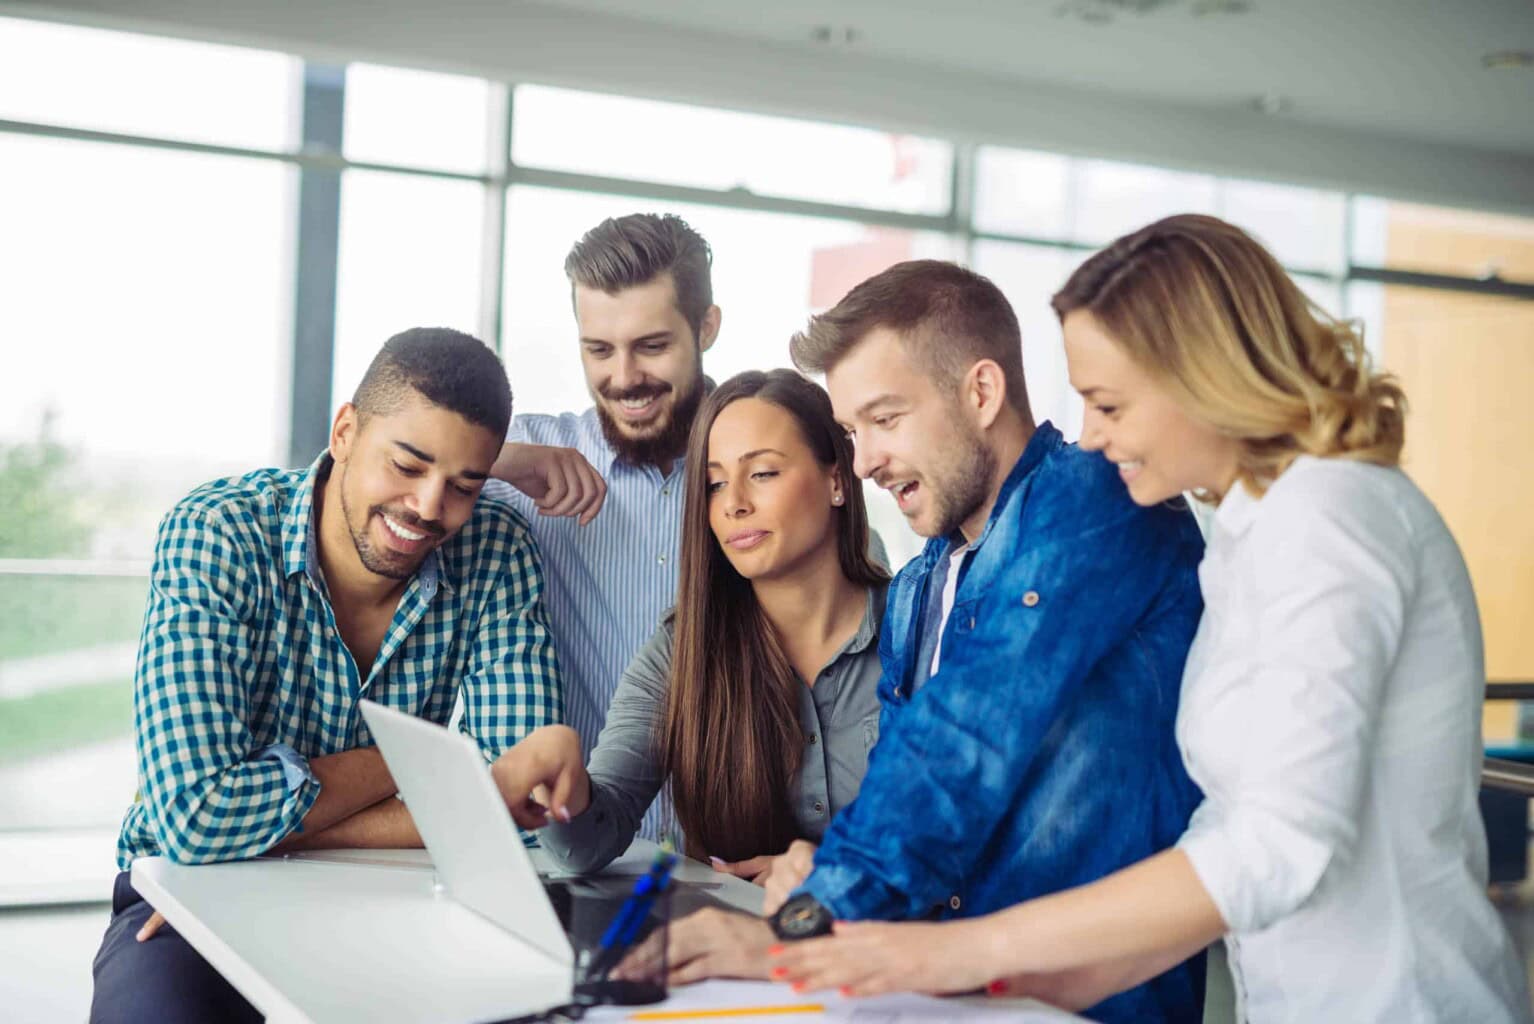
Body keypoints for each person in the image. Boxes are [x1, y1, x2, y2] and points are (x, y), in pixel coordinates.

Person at [770, 215, 1534, 1022]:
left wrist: (966, 950)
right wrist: (1008, 985)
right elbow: (1222, 833)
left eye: (1107, 403)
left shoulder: (1332, 515)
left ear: (1202, 377)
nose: (1091, 437)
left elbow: (1276, 847)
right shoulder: (1250, 532)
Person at [648, 261, 1209, 1023]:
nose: (866, 459)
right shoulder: (917, 586)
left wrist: (806, 920)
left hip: (1085, 1009)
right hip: (941, 996)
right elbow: (901, 784)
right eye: (851, 432)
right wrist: (822, 863)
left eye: (886, 420)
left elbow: (962, 745)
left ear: (980, 393)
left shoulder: (1095, 503)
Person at [89, 327, 563, 1024]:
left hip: (393, 888)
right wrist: (427, 772)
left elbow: (517, 812)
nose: (431, 507)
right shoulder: (217, 532)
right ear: (345, 431)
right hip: (191, 894)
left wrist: (271, 833)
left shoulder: (496, 550)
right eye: (406, 465)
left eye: (463, 486)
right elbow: (191, 818)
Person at [491, 369, 889, 885]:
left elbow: (967, 837)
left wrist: (834, 876)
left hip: (897, 953)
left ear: (837, 480)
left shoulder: (919, 628)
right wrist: (560, 788)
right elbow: (588, 844)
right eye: (714, 482)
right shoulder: (681, 650)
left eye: (763, 473)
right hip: (735, 951)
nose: (733, 503)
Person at [488, 213, 721, 841]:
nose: (623, 378)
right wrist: (503, 458)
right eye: (598, 350)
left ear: (706, 328)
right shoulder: (529, 462)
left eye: (651, 346)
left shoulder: (774, 469)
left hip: (737, 866)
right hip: (584, 851)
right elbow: (365, 470)